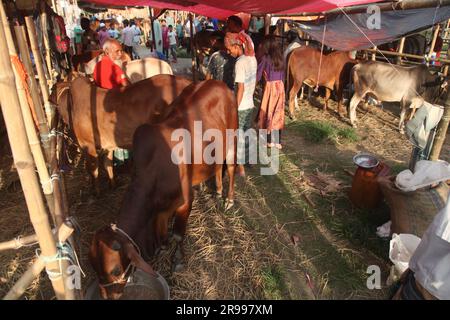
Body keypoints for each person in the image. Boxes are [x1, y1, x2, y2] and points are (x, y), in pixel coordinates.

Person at [227, 35, 257, 177]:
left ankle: (240, 167)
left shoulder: (239, 63)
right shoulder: (252, 59)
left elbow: (241, 88)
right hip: (250, 103)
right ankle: (251, 160)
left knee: (238, 136)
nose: (229, 52)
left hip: (241, 105)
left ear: (237, 46)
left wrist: (234, 108)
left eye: (229, 49)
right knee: (248, 132)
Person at [257, 36, 285, 150]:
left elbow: (258, 75)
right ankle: (277, 141)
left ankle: (268, 140)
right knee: (278, 113)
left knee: (267, 111)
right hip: (280, 87)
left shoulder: (265, 58)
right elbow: (283, 75)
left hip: (270, 87)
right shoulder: (281, 58)